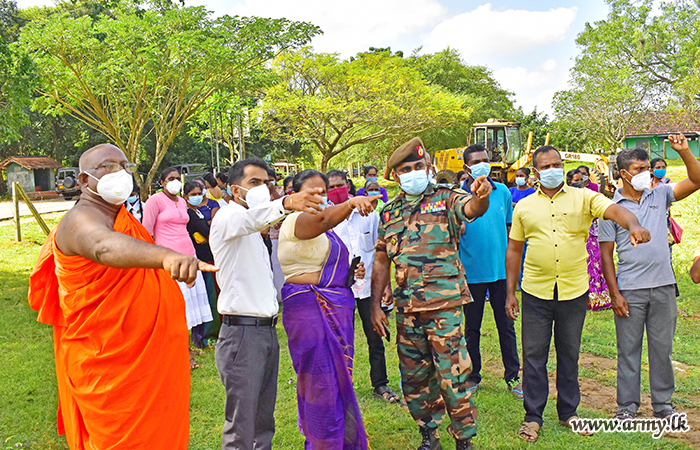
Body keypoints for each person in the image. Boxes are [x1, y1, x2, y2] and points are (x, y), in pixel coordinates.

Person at [28, 144, 217, 450]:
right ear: (83, 181)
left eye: (124, 166)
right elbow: (104, 245)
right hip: (111, 371)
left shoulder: (122, 217)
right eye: (108, 167)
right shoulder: (79, 220)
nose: (119, 173)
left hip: (151, 364)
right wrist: (166, 257)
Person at [505, 145, 650, 442]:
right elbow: (514, 250)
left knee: (569, 355)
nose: (552, 169)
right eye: (545, 166)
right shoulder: (524, 206)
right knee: (533, 356)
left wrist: (633, 223)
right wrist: (510, 292)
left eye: (557, 164)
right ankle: (533, 417)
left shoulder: (583, 197)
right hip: (535, 291)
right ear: (536, 172)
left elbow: (613, 209)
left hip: (573, 290)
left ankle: (569, 412)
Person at [371, 137, 491, 450]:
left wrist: (481, 197)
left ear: (427, 167)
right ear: (396, 176)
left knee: (453, 377)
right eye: (406, 169)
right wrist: (374, 307)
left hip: (444, 307)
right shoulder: (389, 213)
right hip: (406, 310)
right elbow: (382, 258)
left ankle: (464, 440)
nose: (414, 172)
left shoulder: (447, 198)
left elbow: (473, 208)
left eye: (418, 166)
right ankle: (429, 435)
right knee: (414, 379)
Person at [209, 158, 323, 450]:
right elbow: (250, 220)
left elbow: (258, 222)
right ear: (235, 190)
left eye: (267, 182)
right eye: (255, 183)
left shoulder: (253, 232)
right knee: (242, 424)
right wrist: (285, 201)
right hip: (241, 334)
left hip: (264, 332)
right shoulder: (227, 218)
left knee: (262, 421)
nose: (264, 188)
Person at [599, 135, 700, 422]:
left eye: (648, 168)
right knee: (628, 350)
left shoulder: (661, 194)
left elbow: (696, 179)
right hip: (630, 289)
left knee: (662, 349)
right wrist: (614, 294)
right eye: (640, 169)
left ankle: (663, 405)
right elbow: (606, 256)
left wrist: (684, 153)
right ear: (624, 174)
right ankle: (627, 407)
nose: (647, 173)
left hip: (664, 286)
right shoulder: (610, 210)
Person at [279, 169, 379, 449]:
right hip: (309, 308)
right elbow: (323, 218)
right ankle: (322, 442)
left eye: (323, 192)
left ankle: (341, 440)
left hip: (335, 305)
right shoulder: (295, 220)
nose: (320, 197)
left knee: (337, 379)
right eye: (312, 191)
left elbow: (324, 266)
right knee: (320, 381)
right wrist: (349, 203)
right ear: (294, 195)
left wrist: (348, 273)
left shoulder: (328, 231)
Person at [327, 169, 400, 404]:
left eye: (340, 184)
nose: (336, 189)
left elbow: (381, 253)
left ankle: (380, 384)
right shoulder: (327, 218)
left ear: (348, 185)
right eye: (331, 187)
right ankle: (340, 386)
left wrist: (386, 285)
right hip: (341, 289)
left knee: (375, 337)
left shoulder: (369, 214)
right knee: (340, 339)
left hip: (369, 287)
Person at [458, 144, 522, 400]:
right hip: (470, 274)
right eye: (476, 161)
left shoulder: (503, 191)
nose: (482, 164)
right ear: (467, 168)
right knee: (471, 328)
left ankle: (514, 377)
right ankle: (473, 376)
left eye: (485, 159)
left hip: (500, 273)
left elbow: (509, 232)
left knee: (506, 326)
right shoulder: (457, 198)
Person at [143, 167, 213, 368]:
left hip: (189, 255)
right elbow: (147, 232)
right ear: (162, 182)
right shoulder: (154, 201)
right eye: (170, 179)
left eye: (177, 178)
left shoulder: (182, 201)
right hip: (169, 259)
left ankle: (187, 346)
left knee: (189, 307)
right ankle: (181, 352)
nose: (175, 181)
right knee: (176, 306)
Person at [183, 181, 221, 349]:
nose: (197, 196)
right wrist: (207, 229)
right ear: (185, 196)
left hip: (210, 257)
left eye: (199, 193)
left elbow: (213, 228)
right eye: (193, 194)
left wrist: (207, 232)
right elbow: (205, 230)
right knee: (205, 298)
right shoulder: (186, 213)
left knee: (213, 296)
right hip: (199, 259)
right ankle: (206, 335)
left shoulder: (204, 208)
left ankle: (213, 332)